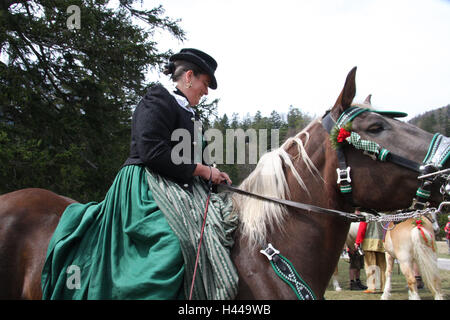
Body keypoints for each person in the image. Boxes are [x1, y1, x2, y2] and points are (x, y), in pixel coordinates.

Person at [41, 48, 237, 300]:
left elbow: (196, 160)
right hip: (145, 185)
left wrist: (213, 173)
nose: (206, 91)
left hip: (181, 187)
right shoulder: (157, 100)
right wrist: (200, 170)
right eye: (205, 83)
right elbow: (151, 151)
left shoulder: (191, 115)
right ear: (189, 76)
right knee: (174, 243)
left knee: (219, 227)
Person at [355, 220, 386, 294]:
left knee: (370, 265)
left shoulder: (367, 214)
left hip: (368, 242)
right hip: (381, 241)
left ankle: (372, 287)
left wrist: (357, 241)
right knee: (382, 266)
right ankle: (383, 287)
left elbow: (362, 228)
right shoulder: (383, 214)